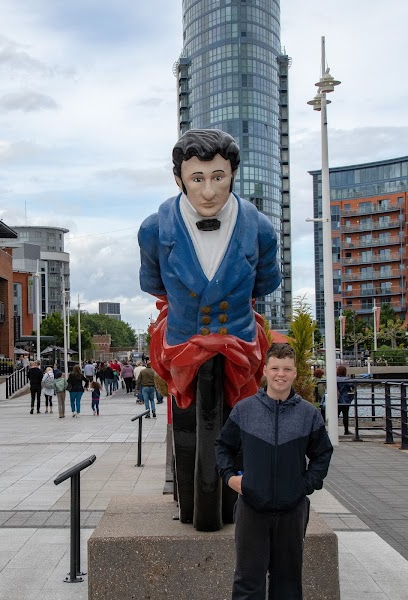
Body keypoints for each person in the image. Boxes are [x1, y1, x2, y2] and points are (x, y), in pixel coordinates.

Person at [138, 129, 281, 529]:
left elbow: (266, 282)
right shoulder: (154, 230)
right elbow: (153, 283)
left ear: (233, 173)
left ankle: (233, 505)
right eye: (197, 178)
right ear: (179, 179)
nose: (208, 191)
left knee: (238, 424)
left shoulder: (260, 228)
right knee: (186, 425)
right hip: (183, 346)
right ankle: (189, 503)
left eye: (218, 177)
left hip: (239, 349)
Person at [215, 343, 333, 599]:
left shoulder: (308, 414)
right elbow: (223, 446)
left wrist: (304, 485)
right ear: (265, 371)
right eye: (275, 368)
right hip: (252, 508)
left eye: (287, 369)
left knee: (288, 582)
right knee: (247, 581)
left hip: (292, 511)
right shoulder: (244, 411)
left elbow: (322, 453)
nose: (281, 374)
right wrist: (231, 478)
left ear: (295, 373)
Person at [337, 364, 355, 435]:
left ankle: (333, 430)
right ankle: (346, 430)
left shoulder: (334, 379)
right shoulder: (347, 379)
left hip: (337, 399)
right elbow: (352, 385)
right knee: (345, 415)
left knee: (336, 415)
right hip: (345, 399)